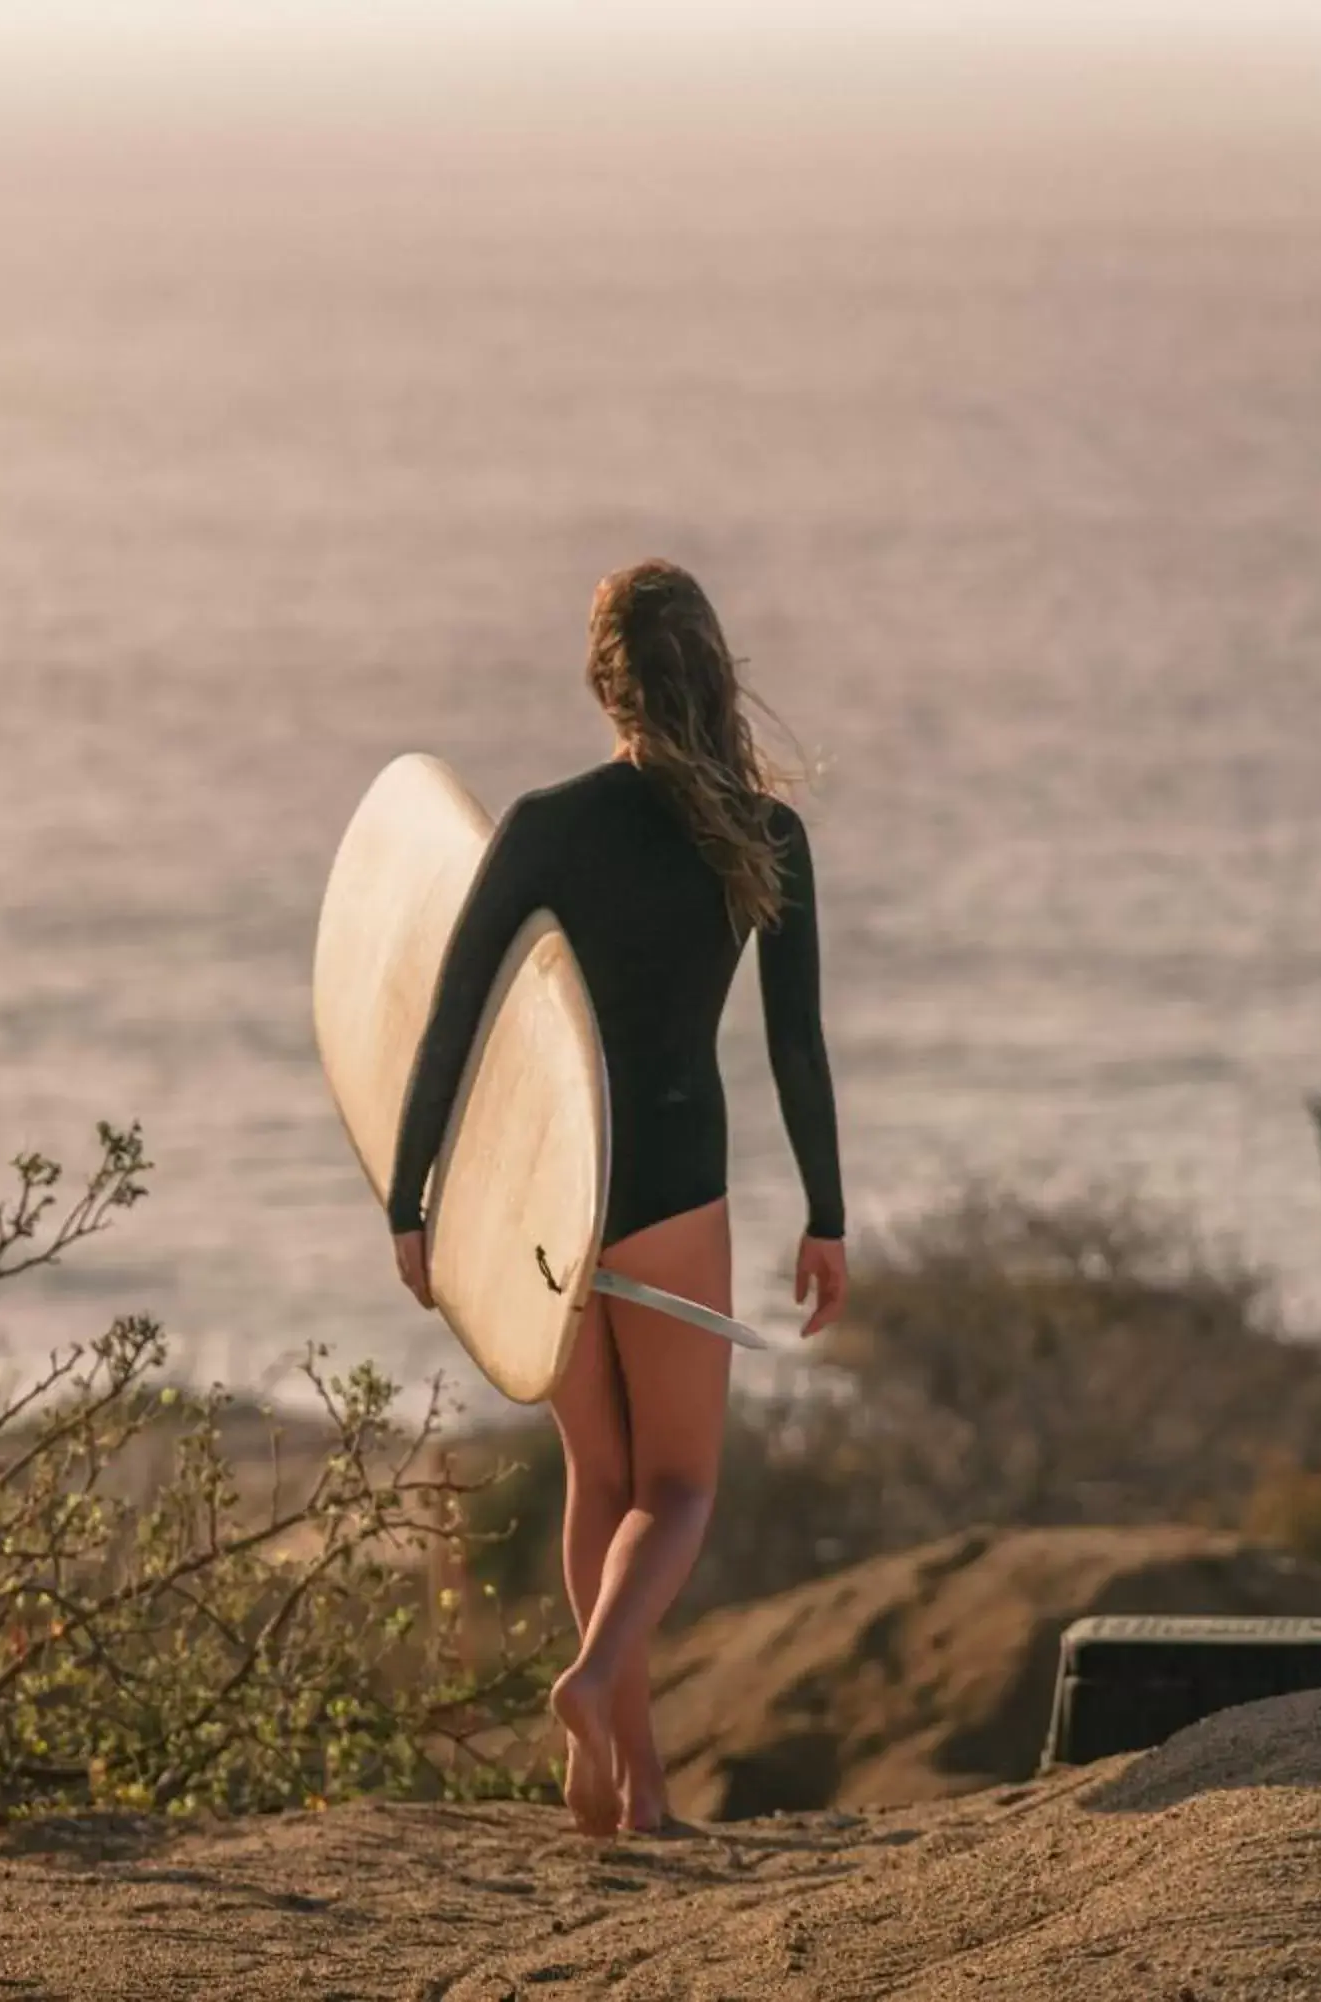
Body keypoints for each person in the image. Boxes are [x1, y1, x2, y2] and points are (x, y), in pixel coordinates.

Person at [384, 557, 849, 1838]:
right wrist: (828, 1214)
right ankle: (594, 1686)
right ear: (714, 670)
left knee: (601, 1470)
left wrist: (410, 1199)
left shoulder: (544, 827)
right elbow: (793, 1048)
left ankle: (627, 1786)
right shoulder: (763, 836)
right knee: (682, 1486)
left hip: (550, 1195)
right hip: (673, 1179)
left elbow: (449, 1018)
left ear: (603, 681)